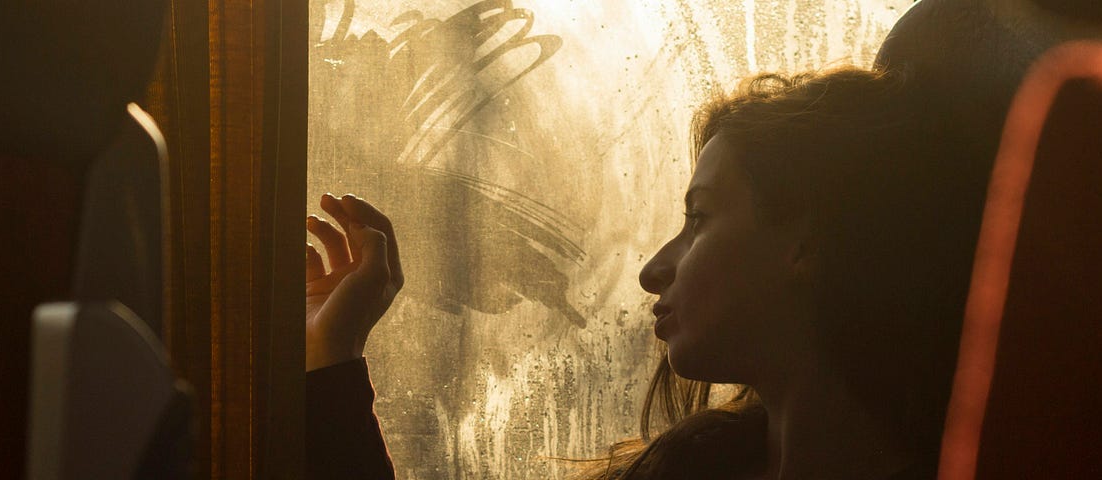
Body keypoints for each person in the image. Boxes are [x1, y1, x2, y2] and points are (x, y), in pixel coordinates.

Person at [304, 66, 979, 480]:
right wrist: (332, 352)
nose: (655, 271)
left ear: (807, 243)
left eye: (701, 219)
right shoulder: (685, 469)